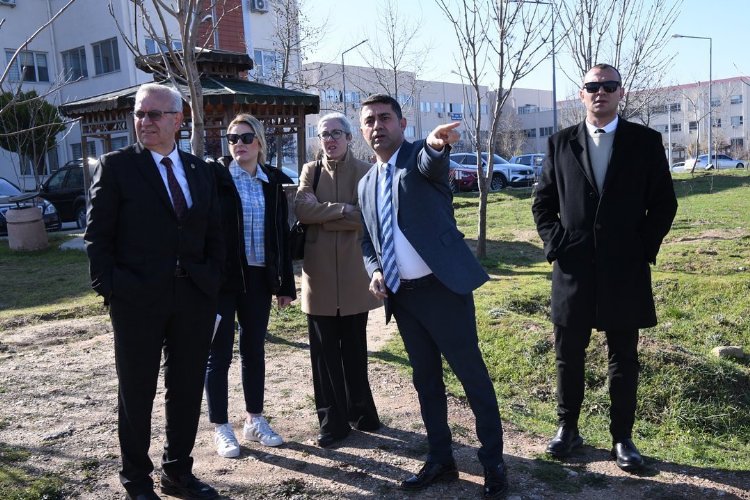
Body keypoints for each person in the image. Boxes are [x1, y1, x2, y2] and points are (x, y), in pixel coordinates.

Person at [357, 94, 508, 499]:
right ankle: (441, 459)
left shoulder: (418, 159)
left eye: (385, 118)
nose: (377, 126)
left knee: (472, 377)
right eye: (369, 120)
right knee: (426, 381)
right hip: (404, 298)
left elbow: (432, 161)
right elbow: (367, 241)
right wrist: (375, 271)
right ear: (362, 129)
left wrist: (437, 145)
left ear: (402, 124)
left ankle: (493, 462)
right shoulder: (365, 183)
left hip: (444, 290)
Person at [531, 63, 678, 472]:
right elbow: (543, 204)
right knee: (567, 355)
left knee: (623, 358)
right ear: (581, 94)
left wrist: (642, 248)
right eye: (593, 86)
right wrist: (558, 245)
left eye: (609, 86)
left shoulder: (645, 142)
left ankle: (622, 438)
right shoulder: (559, 143)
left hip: (624, 270)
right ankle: (568, 429)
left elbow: (664, 203)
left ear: (620, 93)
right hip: (573, 270)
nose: (601, 92)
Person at [85, 83, 222, 500]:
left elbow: (215, 232)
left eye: (154, 114)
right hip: (136, 299)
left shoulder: (200, 170)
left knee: (186, 388)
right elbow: (97, 237)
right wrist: (112, 289)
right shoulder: (117, 166)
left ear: (178, 120)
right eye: (140, 114)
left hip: (193, 297)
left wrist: (211, 282)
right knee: (137, 391)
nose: (144, 122)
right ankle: (137, 481)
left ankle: (177, 472)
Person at [203, 113, 295, 459]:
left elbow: (281, 235)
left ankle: (254, 420)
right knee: (218, 355)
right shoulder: (216, 177)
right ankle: (221, 427)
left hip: (258, 279)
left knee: (254, 350)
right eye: (232, 138)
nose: (238, 144)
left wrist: (284, 283)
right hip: (222, 281)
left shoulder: (273, 180)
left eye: (245, 137)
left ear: (259, 141)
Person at [294, 112, 382, 448]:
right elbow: (303, 211)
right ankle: (332, 423)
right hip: (318, 277)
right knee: (323, 355)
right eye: (324, 134)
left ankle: (362, 412)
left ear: (348, 137)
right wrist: (344, 210)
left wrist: (324, 213)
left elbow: (367, 217)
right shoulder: (310, 171)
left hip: (354, 273)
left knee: (355, 350)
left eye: (335, 133)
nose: (329, 140)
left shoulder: (366, 171)